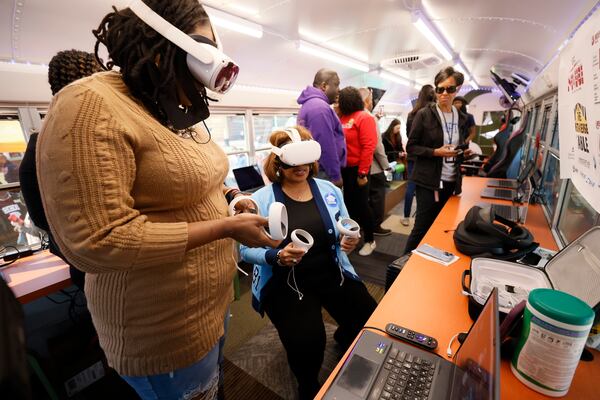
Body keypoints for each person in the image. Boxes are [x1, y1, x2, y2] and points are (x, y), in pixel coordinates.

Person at [36, 1, 278, 399]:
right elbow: (98, 241)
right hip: (162, 329)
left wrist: (233, 199)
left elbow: (200, 178)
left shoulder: (169, 110)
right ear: (166, 46)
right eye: (206, 49)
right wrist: (225, 227)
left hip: (208, 311)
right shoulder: (90, 105)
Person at [239, 126, 377, 400]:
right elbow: (244, 250)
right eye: (293, 162)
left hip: (331, 271)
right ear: (278, 163)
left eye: (306, 161)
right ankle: (307, 385)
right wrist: (276, 256)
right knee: (308, 344)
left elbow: (347, 224)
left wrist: (349, 239)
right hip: (286, 283)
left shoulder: (327, 189)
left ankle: (345, 332)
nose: (301, 168)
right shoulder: (261, 200)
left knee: (369, 319)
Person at [19, 49, 102, 290]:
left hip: (84, 266)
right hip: (98, 270)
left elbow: (42, 221)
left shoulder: (38, 145)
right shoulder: (71, 144)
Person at [403, 67, 472, 255]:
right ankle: (401, 267)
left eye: (449, 89)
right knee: (422, 227)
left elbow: (458, 144)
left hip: (451, 181)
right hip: (428, 182)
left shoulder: (462, 118)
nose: (444, 94)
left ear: (457, 89)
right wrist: (435, 152)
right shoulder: (424, 115)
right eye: (440, 89)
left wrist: (462, 153)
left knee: (442, 225)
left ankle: (428, 261)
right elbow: (411, 147)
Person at [338, 87, 378, 256]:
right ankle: (352, 237)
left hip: (359, 169)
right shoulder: (342, 117)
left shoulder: (364, 117)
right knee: (347, 205)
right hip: (344, 169)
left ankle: (370, 240)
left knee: (362, 205)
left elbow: (369, 146)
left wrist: (362, 173)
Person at [297, 69, 346, 187]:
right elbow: (325, 145)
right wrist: (335, 176)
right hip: (325, 173)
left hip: (319, 170)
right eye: (336, 84)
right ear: (324, 86)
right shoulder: (319, 108)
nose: (339, 89)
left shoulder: (311, 104)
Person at [359, 87, 391, 237]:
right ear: (366, 101)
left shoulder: (350, 117)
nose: (372, 103)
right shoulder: (369, 117)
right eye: (371, 100)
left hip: (357, 167)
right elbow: (377, 146)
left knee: (363, 200)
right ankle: (376, 226)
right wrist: (386, 166)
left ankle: (364, 225)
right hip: (373, 167)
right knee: (377, 198)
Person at [402, 84, 435, 226]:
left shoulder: (411, 114)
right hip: (428, 156)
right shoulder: (433, 114)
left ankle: (406, 217)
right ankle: (424, 219)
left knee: (411, 186)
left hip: (413, 156)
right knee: (427, 188)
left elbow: (410, 136)